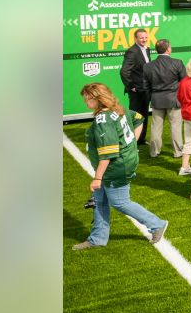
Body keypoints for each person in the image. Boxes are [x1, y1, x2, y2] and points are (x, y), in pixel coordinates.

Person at [72, 83, 168, 250]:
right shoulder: (117, 109)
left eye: (88, 98)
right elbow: (138, 118)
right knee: (100, 199)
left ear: (99, 99)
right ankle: (97, 238)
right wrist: (131, 145)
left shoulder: (104, 119)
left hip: (115, 168)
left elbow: (108, 153)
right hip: (124, 161)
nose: (86, 102)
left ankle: (156, 224)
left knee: (120, 202)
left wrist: (97, 177)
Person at [142, 38, 186, 160]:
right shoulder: (177, 63)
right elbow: (184, 82)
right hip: (173, 100)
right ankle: (178, 151)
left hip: (157, 99)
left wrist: (152, 97)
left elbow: (146, 87)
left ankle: (154, 151)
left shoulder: (148, 66)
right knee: (175, 127)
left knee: (156, 127)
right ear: (168, 49)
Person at [120, 28, 152, 145]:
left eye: (145, 37)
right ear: (136, 38)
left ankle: (141, 139)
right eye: (141, 38)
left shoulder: (147, 49)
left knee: (144, 114)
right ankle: (132, 141)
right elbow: (124, 71)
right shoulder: (132, 51)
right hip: (136, 90)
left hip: (145, 88)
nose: (144, 40)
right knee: (135, 116)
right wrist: (130, 86)